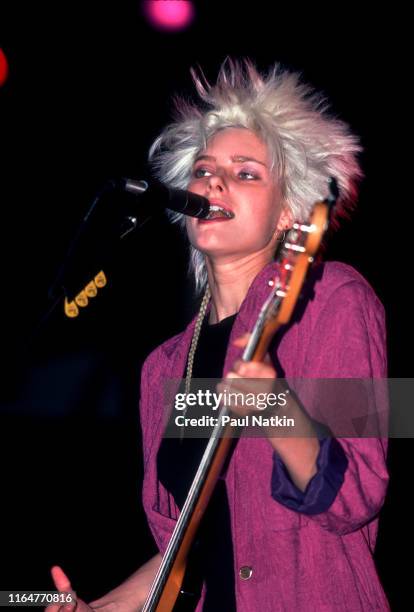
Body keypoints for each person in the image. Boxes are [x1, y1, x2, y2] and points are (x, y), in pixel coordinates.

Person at [47, 58, 390, 611]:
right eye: (203, 170)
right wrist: (104, 607)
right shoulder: (164, 365)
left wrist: (274, 407)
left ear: (288, 213)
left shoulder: (338, 299)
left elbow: (359, 492)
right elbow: (190, 544)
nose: (213, 182)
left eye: (246, 172)